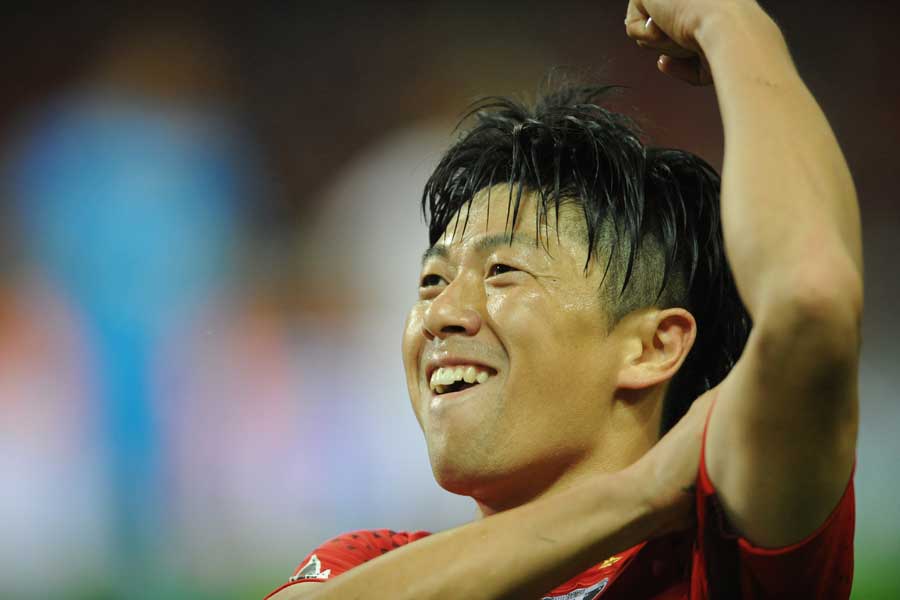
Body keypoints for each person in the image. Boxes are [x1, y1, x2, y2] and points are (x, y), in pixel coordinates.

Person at [264, 0, 862, 597]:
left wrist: (734, 26)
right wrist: (641, 494)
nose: (441, 315)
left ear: (653, 347)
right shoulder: (362, 565)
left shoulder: (718, 561)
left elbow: (810, 300)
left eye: (503, 271)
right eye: (432, 282)